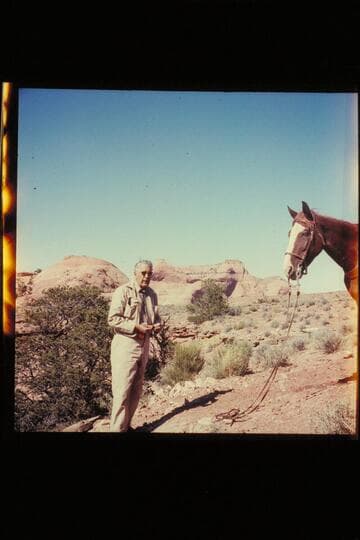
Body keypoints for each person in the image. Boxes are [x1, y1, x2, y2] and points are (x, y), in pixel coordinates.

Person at [108, 260, 162, 432]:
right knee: (122, 391)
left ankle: (127, 426)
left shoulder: (152, 294)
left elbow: (156, 318)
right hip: (126, 345)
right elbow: (113, 319)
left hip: (144, 344)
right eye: (143, 273)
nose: (147, 276)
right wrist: (135, 326)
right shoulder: (123, 291)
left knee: (136, 390)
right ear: (135, 273)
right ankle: (117, 430)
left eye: (149, 273)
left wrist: (157, 325)